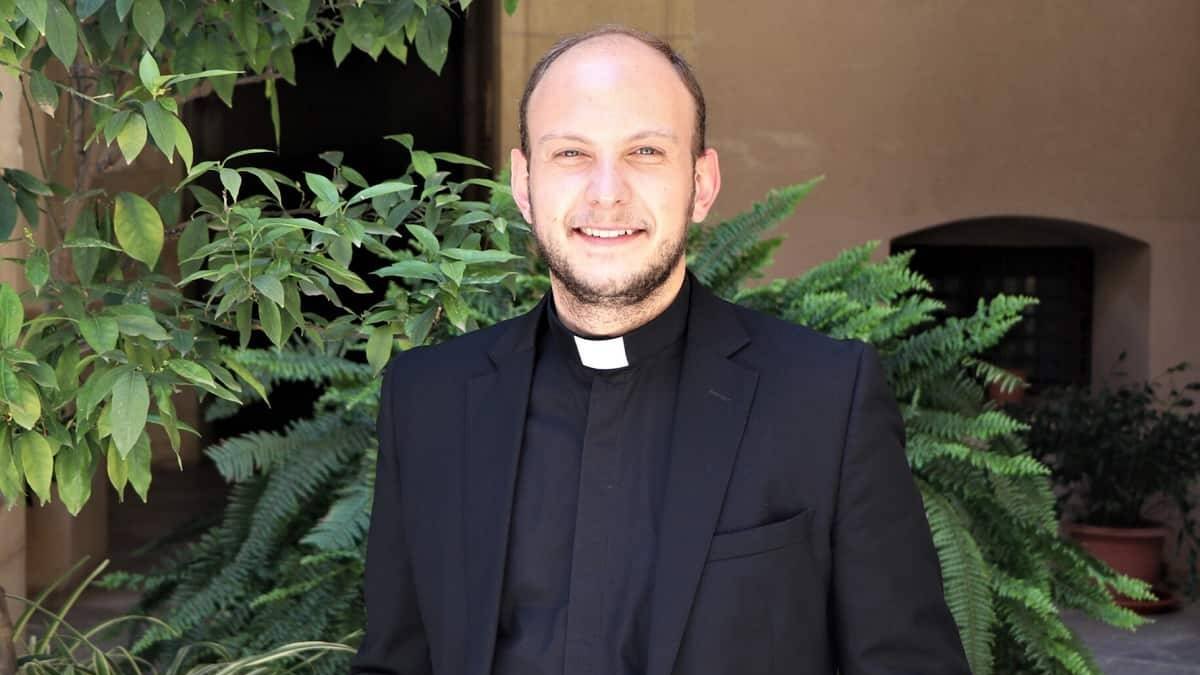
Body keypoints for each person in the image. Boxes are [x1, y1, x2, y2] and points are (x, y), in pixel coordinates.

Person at [351, 25, 971, 675]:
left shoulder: (824, 401)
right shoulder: (429, 399)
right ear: (524, 184)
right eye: (571, 153)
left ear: (702, 184)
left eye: (645, 151)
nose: (607, 191)